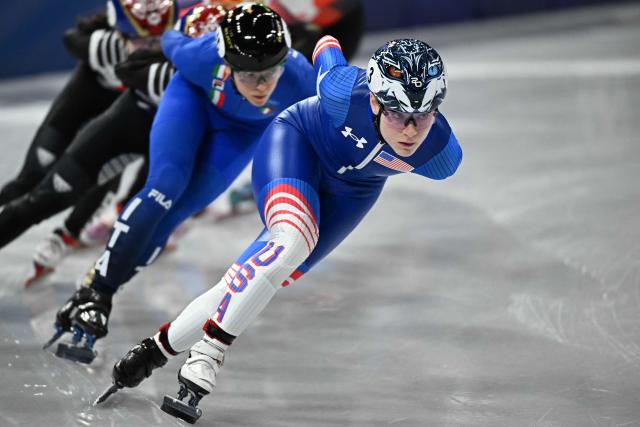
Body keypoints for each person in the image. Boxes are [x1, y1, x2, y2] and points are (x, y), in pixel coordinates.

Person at [102, 35, 463, 423]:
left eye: (422, 115)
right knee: (292, 241)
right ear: (374, 100)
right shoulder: (341, 90)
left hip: (355, 191)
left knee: (256, 275)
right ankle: (208, 353)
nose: (409, 130)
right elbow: (326, 43)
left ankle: (154, 351)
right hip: (297, 143)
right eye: (395, 112)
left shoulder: (441, 156)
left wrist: (155, 351)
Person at [45, 3, 316, 364]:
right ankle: (98, 295)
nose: (263, 85)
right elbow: (168, 38)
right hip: (190, 102)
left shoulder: (301, 78)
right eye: (249, 76)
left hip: (240, 133)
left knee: (177, 215)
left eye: (270, 73)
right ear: (226, 63)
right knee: (164, 188)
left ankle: (98, 284)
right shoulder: (199, 56)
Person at [0, 11, 126, 207]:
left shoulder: (168, 33)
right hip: (83, 96)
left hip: (121, 107)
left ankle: (77, 232)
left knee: (102, 180)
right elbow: (71, 38)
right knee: (32, 178)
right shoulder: (111, 23)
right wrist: (94, 48)